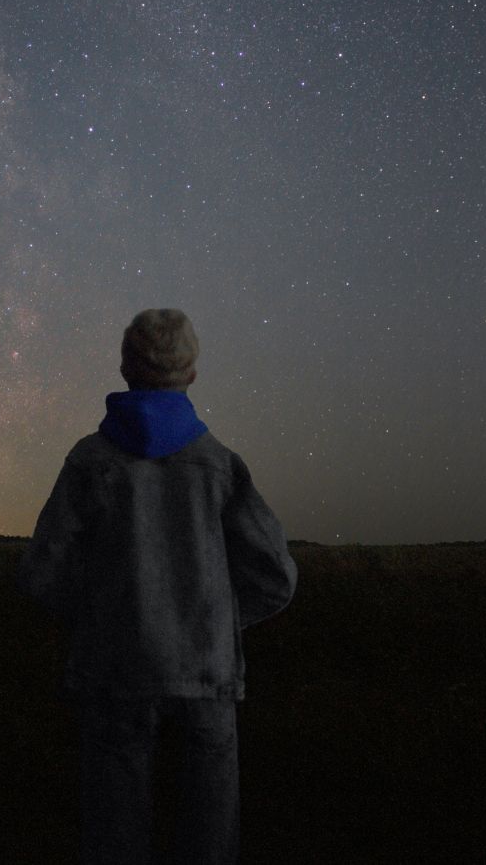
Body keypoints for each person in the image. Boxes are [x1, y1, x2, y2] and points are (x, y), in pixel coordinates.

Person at [15, 308, 297, 865]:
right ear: (191, 374)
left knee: (114, 836)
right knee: (209, 841)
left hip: (116, 669)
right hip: (206, 670)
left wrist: (101, 617)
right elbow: (277, 576)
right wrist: (214, 620)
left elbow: (41, 572)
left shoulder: (91, 462)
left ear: (124, 368)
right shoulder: (219, 465)